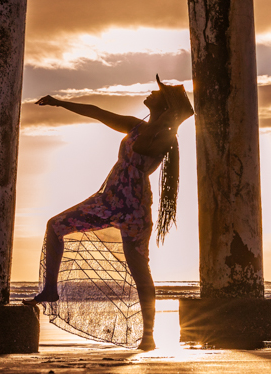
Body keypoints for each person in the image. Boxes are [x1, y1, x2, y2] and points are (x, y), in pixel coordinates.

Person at [24, 76, 194, 351]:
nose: (150, 92)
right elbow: (97, 112)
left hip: (134, 207)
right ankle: (50, 290)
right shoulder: (136, 125)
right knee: (55, 226)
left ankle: (148, 336)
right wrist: (60, 102)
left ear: (165, 106)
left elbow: (146, 149)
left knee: (140, 270)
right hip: (109, 199)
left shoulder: (166, 136)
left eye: (157, 92)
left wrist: (168, 120)